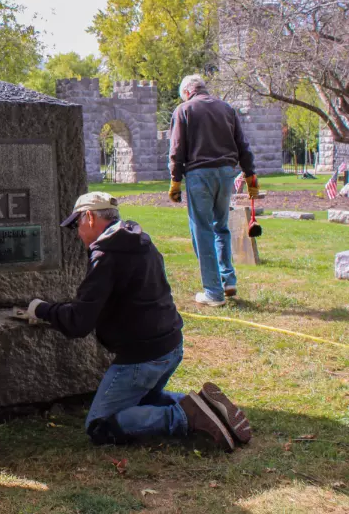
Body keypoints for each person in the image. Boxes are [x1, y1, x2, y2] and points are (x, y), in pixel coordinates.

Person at [13, 192, 251, 452]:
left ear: (90, 218)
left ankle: (185, 417)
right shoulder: (139, 241)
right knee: (145, 400)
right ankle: (203, 405)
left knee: (100, 426)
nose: (76, 232)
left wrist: (42, 309)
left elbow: (79, 323)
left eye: (75, 224)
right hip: (170, 346)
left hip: (142, 358)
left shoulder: (106, 256)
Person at [168, 74, 258, 307]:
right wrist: (250, 177)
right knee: (221, 227)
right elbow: (242, 144)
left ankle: (213, 292)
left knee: (202, 231)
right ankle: (227, 280)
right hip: (227, 173)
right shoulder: (227, 109)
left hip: (200, 174)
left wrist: (175, 181)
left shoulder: (184, 110)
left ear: (187, 92)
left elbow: (177, 149)